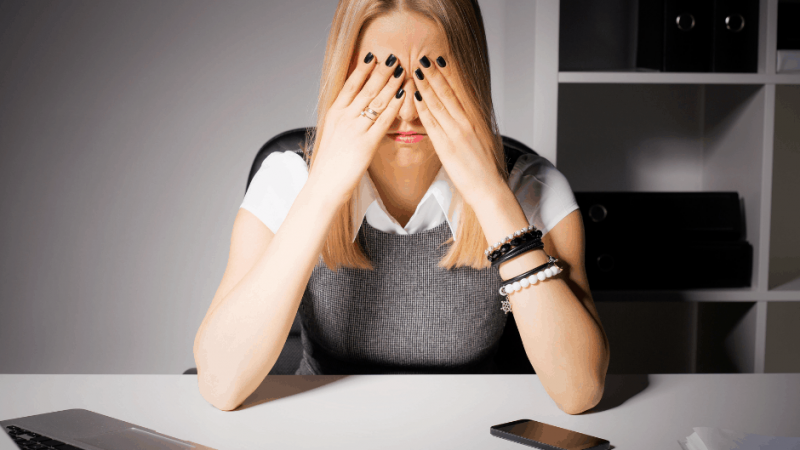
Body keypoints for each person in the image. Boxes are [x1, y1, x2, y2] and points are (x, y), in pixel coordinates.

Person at [193, 0, 610, 414]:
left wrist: (489, 191)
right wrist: (322, 190)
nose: (408, 113)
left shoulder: (534, 188)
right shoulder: (287, 179)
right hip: (320, 427)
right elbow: (219, 384)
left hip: (468, 428)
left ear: (470, 77)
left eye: (430, 79)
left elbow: (580, 390)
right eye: (384, 78)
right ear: (345, 75)